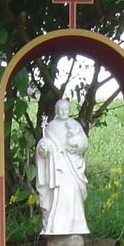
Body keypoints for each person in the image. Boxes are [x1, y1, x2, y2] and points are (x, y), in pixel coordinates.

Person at [35, 98, 90, 235]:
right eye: (61, 110)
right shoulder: (51, 126)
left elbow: (84, 143)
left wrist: (77, 146)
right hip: (57, 167)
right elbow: (45, 146)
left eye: (66, 110)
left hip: (73, 166)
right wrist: (43, 148)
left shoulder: (75, 124)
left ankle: (76, 224)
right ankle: (57, 225)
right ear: (56, 112)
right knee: (59, 195)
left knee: (73, 193)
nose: (64, 112)